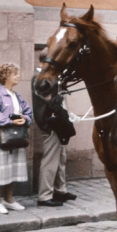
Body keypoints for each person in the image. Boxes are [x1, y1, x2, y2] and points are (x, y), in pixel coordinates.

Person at [0, 63, 33, 214]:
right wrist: (10, 121)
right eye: (15, 74)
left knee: (13, 168)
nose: (18, 76)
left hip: (16, 137)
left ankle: (9, 200)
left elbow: (28, 112)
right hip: (0, 137)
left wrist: (25, 119)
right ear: (5, 76)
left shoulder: (17, 95)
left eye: (18, 73)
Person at [32, 63, 77, 207]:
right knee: (50, 160)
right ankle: (44, 196)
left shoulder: (51, 77)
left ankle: (60, 191)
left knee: (61, 158)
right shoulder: (40, 77)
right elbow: (48, 100)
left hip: (59, 122)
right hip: (52, 123)